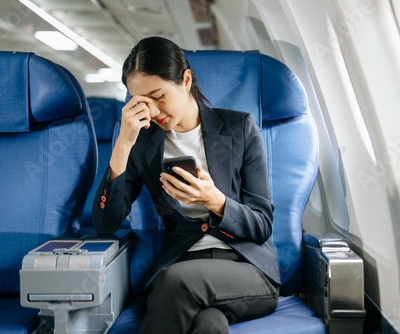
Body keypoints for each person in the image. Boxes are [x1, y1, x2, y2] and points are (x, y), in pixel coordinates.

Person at [92, 36, 280, 334]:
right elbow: (105, 223)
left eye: (158, 96)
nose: (152, 111)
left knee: (173, 281)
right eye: (142, 102)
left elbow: (261, 225)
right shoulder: (143, 144)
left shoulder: (239, 128)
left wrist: (215, 201)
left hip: (246, 266)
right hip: (184, 261)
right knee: (208, 325)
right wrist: (123, 145)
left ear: (186, 79)